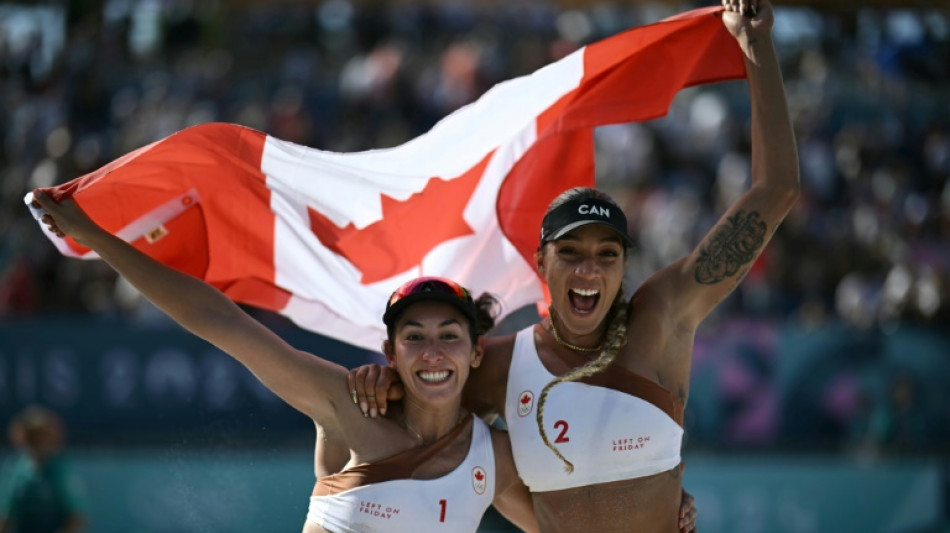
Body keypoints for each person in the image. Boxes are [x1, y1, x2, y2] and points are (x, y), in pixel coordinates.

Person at [348, 1, 800, 531]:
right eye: (570, 253)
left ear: (624, 266)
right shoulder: (495, 366)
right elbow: (413, 399)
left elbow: (776, 191)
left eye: (606, 255)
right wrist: (380, 381)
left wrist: (757, 45)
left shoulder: (661, 318)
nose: (589, 270)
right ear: (542, 261)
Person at [31, 191, 540, 532]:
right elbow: (220, 321)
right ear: (390, 352)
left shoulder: (494, 455)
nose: (432, 352)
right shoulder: (349, 405)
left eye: (449, 336)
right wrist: (95, 237)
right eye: (414, 337)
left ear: (476, 352)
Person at [0, 406, 86, 533]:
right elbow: (6, 515)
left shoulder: (60, 470)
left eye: (42, 435)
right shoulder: (15, 469)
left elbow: (76, 518)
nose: (37, 441)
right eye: (32, 435)